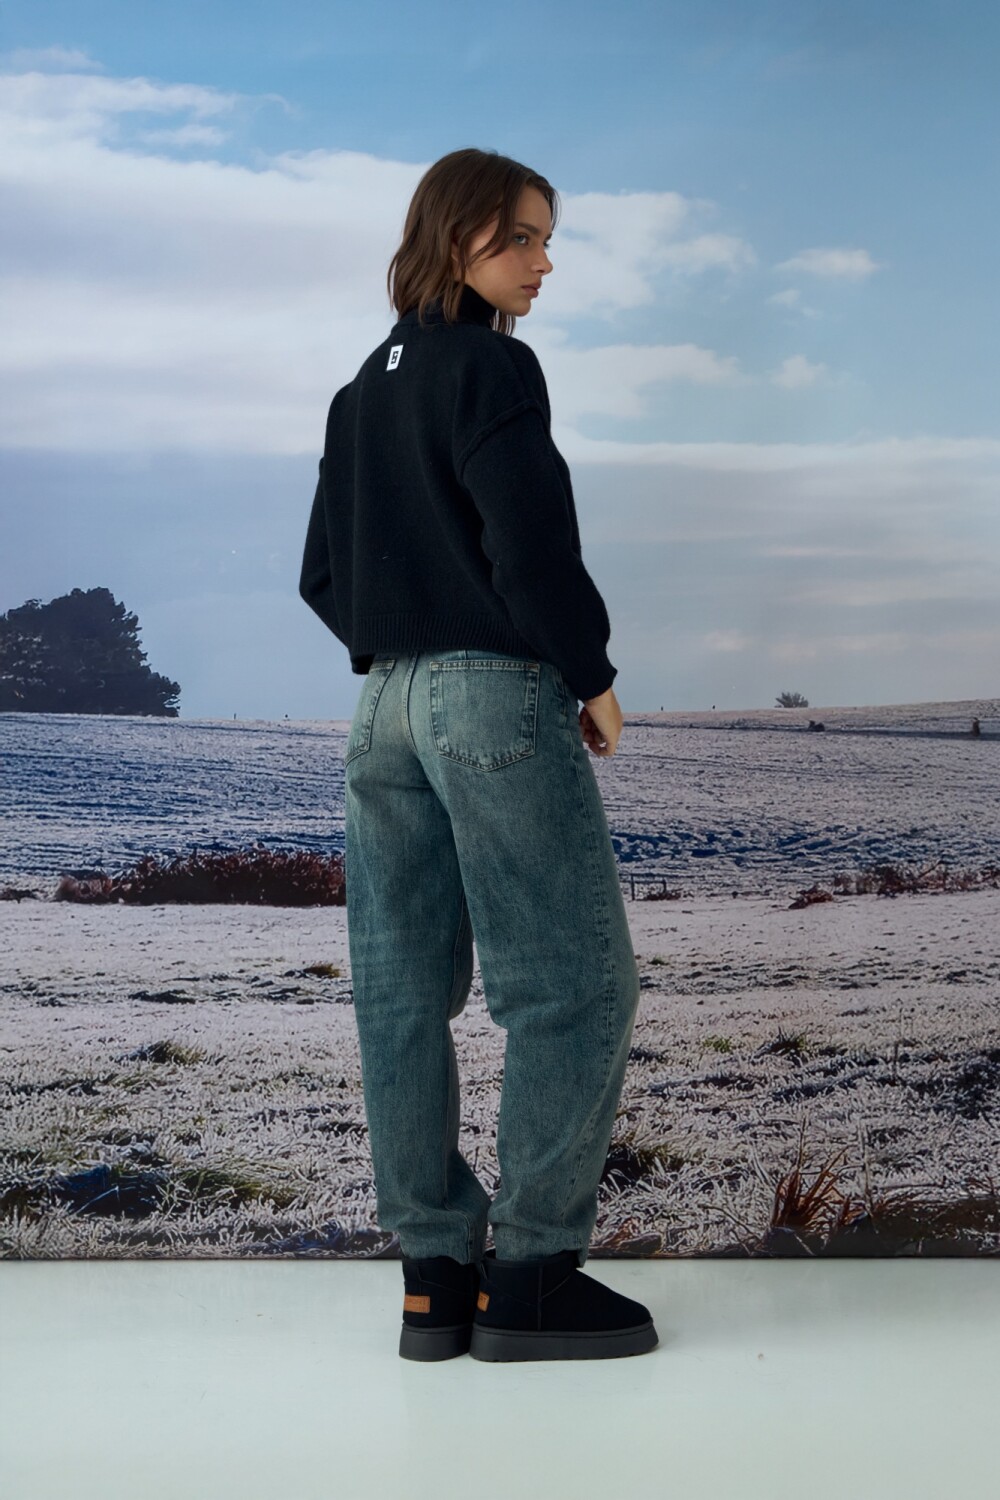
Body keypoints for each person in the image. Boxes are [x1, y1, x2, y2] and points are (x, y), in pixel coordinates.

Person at [299, 148, 656, 1364]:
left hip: (380, 710)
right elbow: (531, 547)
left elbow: (321, 575)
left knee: (402, 994)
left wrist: (404, 642)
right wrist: (589, 674)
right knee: (571, 985)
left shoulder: (359, 392)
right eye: (523, 238)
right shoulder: (494, 368)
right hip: (490, 698)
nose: (544, 263)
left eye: (547, 239)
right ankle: (535, 1278)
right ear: (458, 239)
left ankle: (433, 1285)